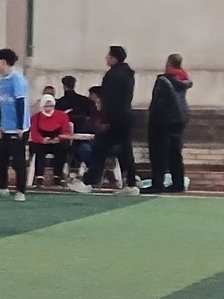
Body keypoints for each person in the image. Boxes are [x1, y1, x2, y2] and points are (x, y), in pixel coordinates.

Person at [74, 45, 139, 194]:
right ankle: (131, 182)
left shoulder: (112, 75)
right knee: (125, 150)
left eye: (108, 56)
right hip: (125, 116)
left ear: (114, 58)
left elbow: (108, 98)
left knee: (101, 147)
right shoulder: (128, 74)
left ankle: (90, 181)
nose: (106, 58)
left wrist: (105, 119)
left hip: (114, 117)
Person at [146, 53, 192, 193]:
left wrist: (152, 122)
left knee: (159, 154)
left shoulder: (163, 81)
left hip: (162, 123)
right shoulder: (183, 81)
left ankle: (157, 184)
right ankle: (178, 183)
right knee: (175, 154)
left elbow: (157, 104)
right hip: (179, 120)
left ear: (169, 63)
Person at [0, 47, 30, 201]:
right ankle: (2, 187)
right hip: (5, 127)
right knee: (1, 160)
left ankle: (21, 190)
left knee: (18, 161)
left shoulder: (17, 80)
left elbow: (20, 103)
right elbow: (1, 105)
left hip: (17, 128)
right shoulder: (2, 81)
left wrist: (20, 127)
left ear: (4, 62)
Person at [27, 91, 75, 186]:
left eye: (51, 106)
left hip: (57, 141)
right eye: (46, 106)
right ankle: (39, 176)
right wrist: (43, 140)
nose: (48, 108)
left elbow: (66, 131)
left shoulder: (62, 116)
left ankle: (58, 175)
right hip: (42, 142)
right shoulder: (35, 117)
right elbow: (34, 133)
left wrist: (58, 139)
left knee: (63, 147)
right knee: (37, 148)